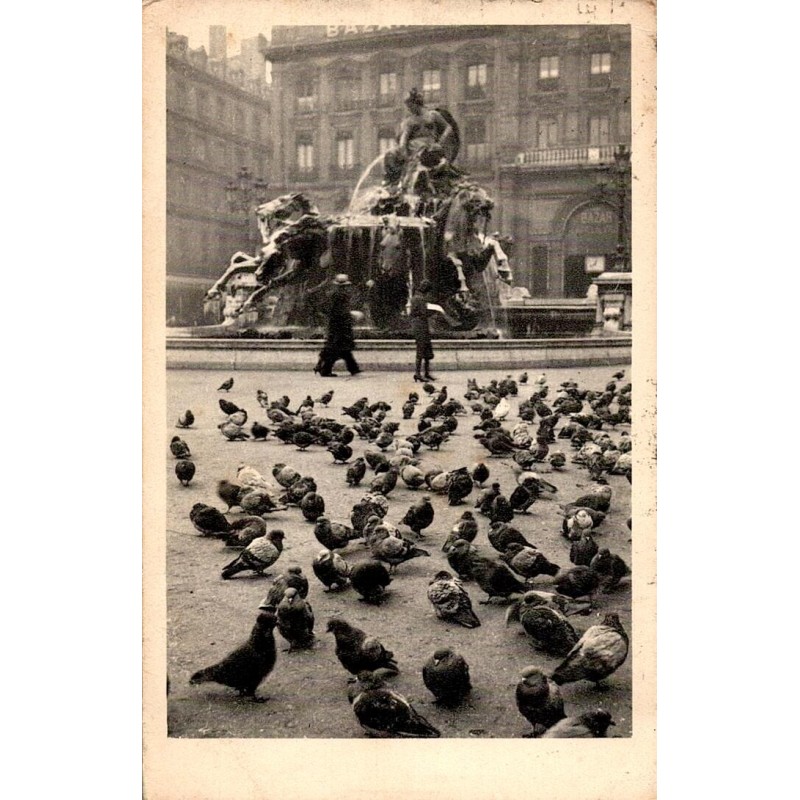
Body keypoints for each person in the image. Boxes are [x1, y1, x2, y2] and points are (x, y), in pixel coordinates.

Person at [383, 88, 456, 188]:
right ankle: (391, 180)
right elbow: (403, 140)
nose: (409, 109)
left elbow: (448, 128)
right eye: (407, 106)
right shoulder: (409, 121)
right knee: (389, 154)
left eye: (410, 106)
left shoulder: (433, 115)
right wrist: (404, 153)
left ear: (416, 103)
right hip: (414, 148)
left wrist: (440, 142)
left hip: (430, 147)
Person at [314, 274, 361, 378]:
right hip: (340, 325)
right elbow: (340, 312)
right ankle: (325, 369)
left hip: (335, 325)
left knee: (340, 349)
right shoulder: (340, 296)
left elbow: (324, 308)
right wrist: (351, 315)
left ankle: (353, 369)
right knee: (339, 349)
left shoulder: (333, 294)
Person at [409, 279, 443, 382]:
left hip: (418, 325)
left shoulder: (415, 298)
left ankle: (424, 373)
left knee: (425, 348)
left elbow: (413, 313)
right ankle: (419, 373)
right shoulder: (421, 299)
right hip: (421, 325)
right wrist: (436, 312)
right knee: (422, 348)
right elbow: (424, 313)